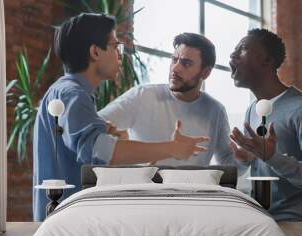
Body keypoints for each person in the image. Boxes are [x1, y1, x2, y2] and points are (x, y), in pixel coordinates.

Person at [33, 13, 209, 221]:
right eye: (115, 46)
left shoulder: (70, 93)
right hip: (67, 221)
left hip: (69, 216)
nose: (120, 54)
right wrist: (173, 148)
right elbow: (100, 151)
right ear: (95, 51)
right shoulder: (73, 94)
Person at [99, 33, 246, 172]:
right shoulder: (142, 95)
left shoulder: (216, 111)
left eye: (186, 63)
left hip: (191, 195)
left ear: (205, 72)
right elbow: (89, 130)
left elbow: (227, 162)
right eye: (174, 60)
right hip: (145, 193)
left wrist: (244, 159)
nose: (175, 68)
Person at [228, 28, 302, 221]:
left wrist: (273, 157)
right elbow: (257, 165)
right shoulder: (251, 110)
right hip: (261, 222)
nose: (232, 55)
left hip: (296, 227)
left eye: (241, 49)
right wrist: (245, 159)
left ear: (267, 60)